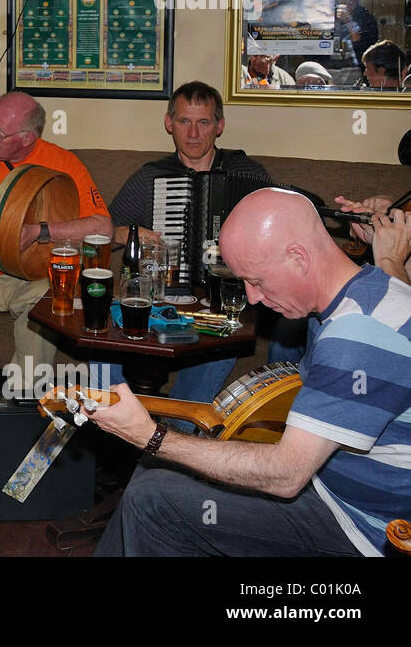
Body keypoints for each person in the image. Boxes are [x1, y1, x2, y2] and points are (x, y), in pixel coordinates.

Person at [89, 188, 411, 556]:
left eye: (256, 281)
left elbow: (286, 475)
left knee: (154, 496)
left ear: (299, 258)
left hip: (363, 527)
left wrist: (152, 435)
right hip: (332, 487)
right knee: (158, 473)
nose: (252, 299)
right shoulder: (368, 286)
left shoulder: (357, 335)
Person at [0, 92, 111, 436]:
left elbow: (103, 228)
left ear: (29, 138)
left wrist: (42, 231)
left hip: (33, 278)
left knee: (45, 305)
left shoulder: (63, 164)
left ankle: (23, 404)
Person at [106, 81, 284, 399]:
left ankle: (178, 427)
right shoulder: (151, 176)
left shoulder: (245, 171)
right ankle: (117, 420)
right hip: (163, 293)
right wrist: (124, 233)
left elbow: (282, 226)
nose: (192, 133)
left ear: (219, 126)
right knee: (105, 337)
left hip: (225, 296)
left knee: (224, 339)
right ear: (168, 123)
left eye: (203, 122)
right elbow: (107, 227)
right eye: (184, 121)